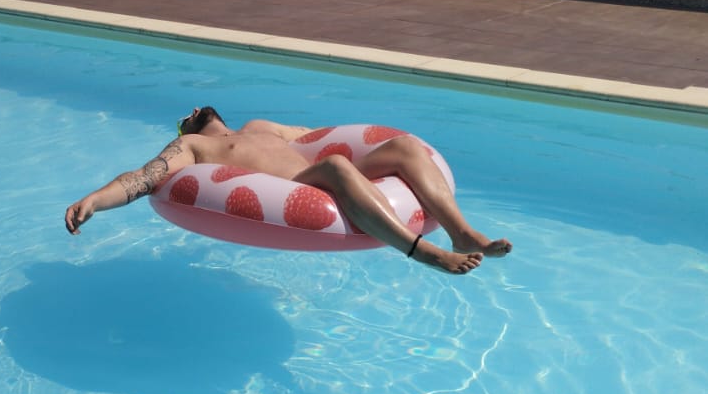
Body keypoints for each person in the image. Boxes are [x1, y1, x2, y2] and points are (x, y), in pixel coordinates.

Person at [64, 106, 512, 274]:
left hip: (319, 169)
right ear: (188, 127)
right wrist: (95, 201)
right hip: (300, 186)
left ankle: (461, 233)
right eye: (186, 116)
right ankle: (422, 252)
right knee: (335, 167)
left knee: (404, 148)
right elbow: (145, 177)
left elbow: (317, 136)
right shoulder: (194, 147)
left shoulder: (261, 125)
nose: (194, 110)